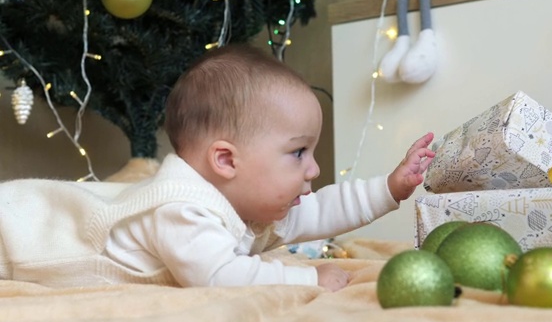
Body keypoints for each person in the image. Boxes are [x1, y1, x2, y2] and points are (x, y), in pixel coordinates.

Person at [0, 44, 435, 292]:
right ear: (226, 160)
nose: (313, 169)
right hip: (19, 231)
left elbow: (321, 210)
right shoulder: (182, 210)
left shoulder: (249, 207)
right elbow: (220, 277)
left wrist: (391, 186)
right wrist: (307, 280)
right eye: (298, 152)